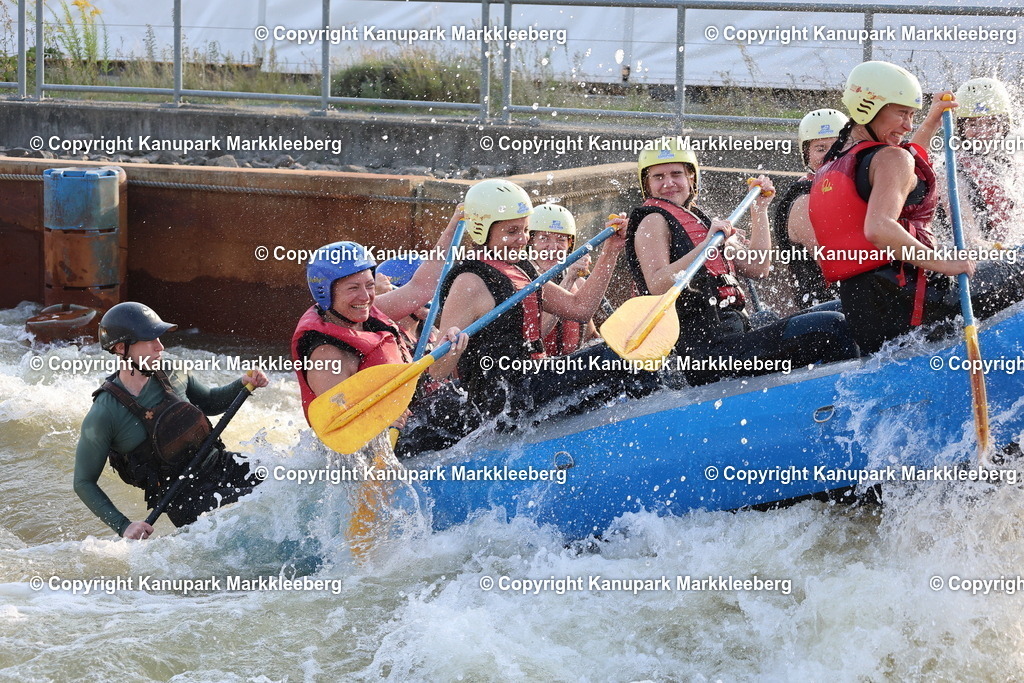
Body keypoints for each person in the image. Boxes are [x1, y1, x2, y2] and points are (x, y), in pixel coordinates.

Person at [808, 61, 1024, 354]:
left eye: (912, 115)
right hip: (916, 302)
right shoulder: (890, 159)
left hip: (869, 313)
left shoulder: (833, 163)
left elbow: (908, 168)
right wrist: (944, 264)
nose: (908, 125)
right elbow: (880, 228)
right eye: (901, 113)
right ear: (870, 107)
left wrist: (932, 120)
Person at [625, 138, 859, 386]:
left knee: (846, 307)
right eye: (658, 177)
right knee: (832, 327)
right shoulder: (652, 221)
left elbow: (759, 267)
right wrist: (707, 246)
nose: (668, 183)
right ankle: (848, 398)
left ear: (691, 178)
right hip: (707, 355)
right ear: (647, 184)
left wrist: (759, 209)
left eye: (676, 174)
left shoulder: (699, 220)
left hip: (734, 335)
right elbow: (657, 284)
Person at [427, 178, 657, 421]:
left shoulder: (520, 268)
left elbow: (580, 309)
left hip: (534, 378)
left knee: (628, 351)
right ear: (481, 231)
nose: (523, 239)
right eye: (512, 231)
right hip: (504, 396)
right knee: (617, 359)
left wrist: (611, 250)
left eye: (525, 230)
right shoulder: (469, 282)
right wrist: (453, 348)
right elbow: (437, 370)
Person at [73, 302, 270, 540]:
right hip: (186, 499)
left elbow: (209, 402)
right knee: (262, 499)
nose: (160, 346)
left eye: (159, 337)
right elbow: (83, 482)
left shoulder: (172, 370)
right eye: (150, 339)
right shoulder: (104, 413)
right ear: (121, 348)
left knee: (283, 478)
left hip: (220, 464)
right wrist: (123, 526)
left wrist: (242, 383)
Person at [290, 213, 466, 428]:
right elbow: (338, 424)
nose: (365, 297)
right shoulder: (327, 356)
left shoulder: (368, 312)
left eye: (370, 285)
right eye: (353, 288)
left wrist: (455, 224)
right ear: (326, 292)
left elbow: (421, 286)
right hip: (389, 436)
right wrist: (379, 417)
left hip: (414, 415)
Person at [934, 77, 1022, 247]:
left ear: (1004, 125)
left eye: (991, 122)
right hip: (970, 258)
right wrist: (1007, 251)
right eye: (973, 124)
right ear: (961, 128)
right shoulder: (951, 172)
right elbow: (970, 241)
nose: (983, 132)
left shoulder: (1011, 164)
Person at [773, 109, 849, 307]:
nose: (831, 155)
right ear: (806, 154)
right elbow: (836, 265)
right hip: (825, 309)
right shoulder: (804, 201)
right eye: (821, 149)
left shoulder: (840, 188)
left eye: (837, 147)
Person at [528, 203, 600, 355]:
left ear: (569, 245)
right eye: (544, 238)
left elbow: (591, 337)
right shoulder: (521, 283)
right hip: (536, 366)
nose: (553, 248)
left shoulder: (579, 283)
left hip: (571, 365)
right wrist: (569, 279)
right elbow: (536, 335)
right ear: (530, 242)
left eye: (561, 240)